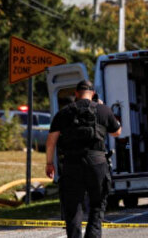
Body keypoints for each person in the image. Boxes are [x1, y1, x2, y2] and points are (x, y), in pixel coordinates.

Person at [46, 80, 121, 238]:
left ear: (76, 93)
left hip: (71, 164)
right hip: (97, 163)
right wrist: (103, 108)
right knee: (97, 206)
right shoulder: (103, 110)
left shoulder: (64, 112)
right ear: (93, 94)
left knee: (73, 208)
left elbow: (51, 141)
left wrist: (49, 163)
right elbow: (117, 132)